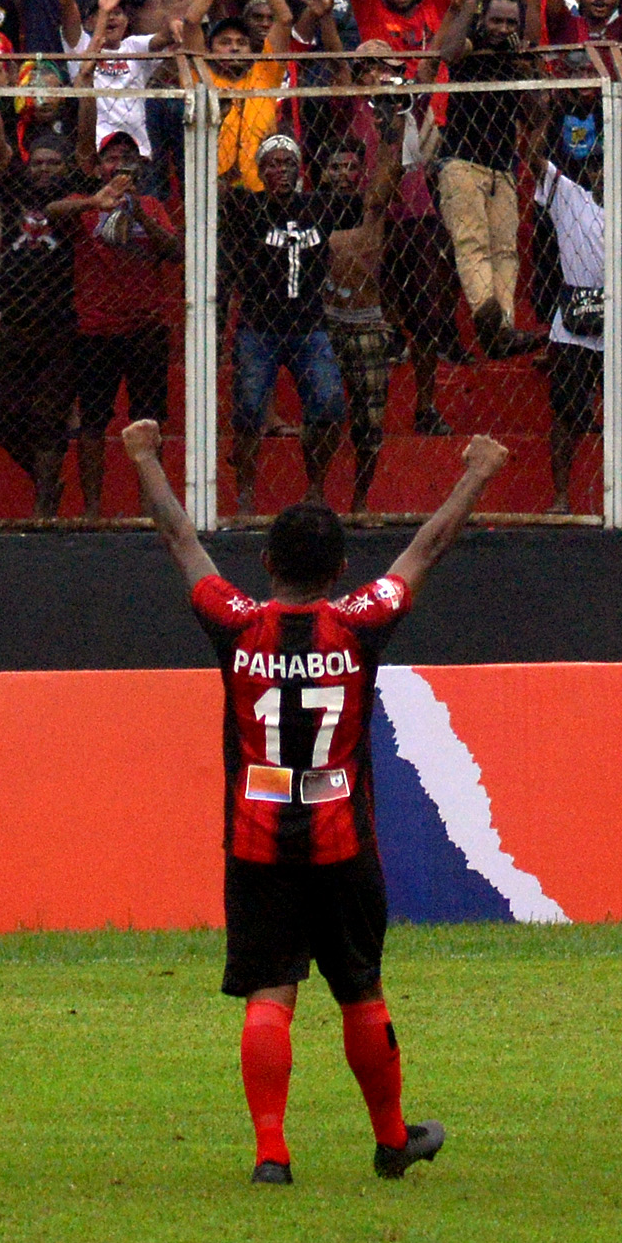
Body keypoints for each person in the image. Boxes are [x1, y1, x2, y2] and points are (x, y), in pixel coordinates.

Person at [113, 412, 509, 1188]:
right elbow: (426, 548)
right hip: (343, 842)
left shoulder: (239, 624)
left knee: (270, 992)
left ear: (265, 563)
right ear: (338, 571)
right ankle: (391, 1140)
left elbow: (179, 541)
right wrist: (477, 472)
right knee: (360, 988)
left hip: (258, 841)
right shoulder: (359, 625)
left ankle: (271, 1154)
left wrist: (145, 459)